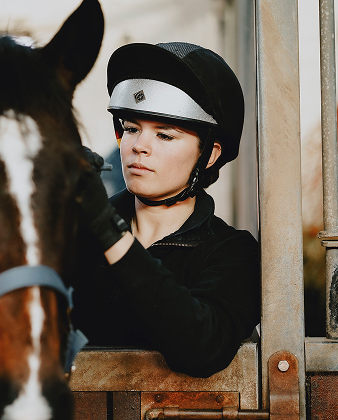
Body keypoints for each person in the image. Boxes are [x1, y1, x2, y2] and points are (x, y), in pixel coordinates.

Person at [72, 42, 260, 378]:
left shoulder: (232, 253)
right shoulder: (75, 235)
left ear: (210, 154)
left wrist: (109, 232)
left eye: (165, 135)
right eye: (131, 129)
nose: (138, 146)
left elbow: (202, 348)